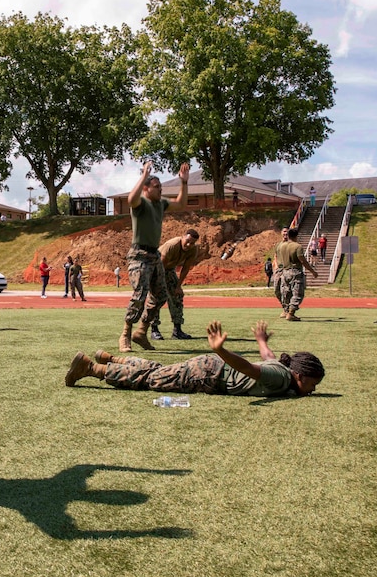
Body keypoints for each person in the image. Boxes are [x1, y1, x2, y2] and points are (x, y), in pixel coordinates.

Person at [66, 320, 325, 399]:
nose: (313, 390)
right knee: (151, 381)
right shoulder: (280, 379)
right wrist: (221, 351)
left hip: (210, 369)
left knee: (159, 371)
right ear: (299, 375)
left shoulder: (282, 368)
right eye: (313, 384)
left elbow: (267, 358)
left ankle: (112, 359)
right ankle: (91, 367)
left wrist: (261, 341)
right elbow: (250, 368)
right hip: (209, 374)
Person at [118, 161, 189, 352]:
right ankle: (125, 334)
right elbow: (131, 199)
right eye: (157, 187)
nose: (160, 190)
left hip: (154, 255)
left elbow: (181, 204)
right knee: (140, 294)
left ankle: (141, 332)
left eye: (161, 187)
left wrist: (184, 182)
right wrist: (143, 176)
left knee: (161, 295)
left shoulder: (161, 203)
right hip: (139, 255)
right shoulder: (141, 203)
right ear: (146, 189)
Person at [149, 229, 201, 340]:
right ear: (182, 237)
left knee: (177, 296)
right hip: (155, 270)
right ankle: (154, 330)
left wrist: (178, 286)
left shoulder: (193, 250)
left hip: (169, 270)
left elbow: (185, 268)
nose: (188, 244)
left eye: (192, 243)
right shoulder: (172, 245)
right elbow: (160, 266)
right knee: (156, 298)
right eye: (187, 241)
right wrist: (158, 285)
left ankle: (177, 331)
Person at [275, 228, 317, 321]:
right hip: (295, 271)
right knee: (297, 293)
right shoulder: (297, 247)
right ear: (296, 236)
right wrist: (312, 271)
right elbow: (302, 260)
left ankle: (286, 310)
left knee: (286, 292)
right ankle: (291, 313)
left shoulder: (282, 246)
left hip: (285, 271)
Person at [272, 227, 289, 312]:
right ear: (281, 233)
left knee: (285, 290)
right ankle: (284, 306)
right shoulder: (278, 245)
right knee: (276, 290)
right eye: (284, 231)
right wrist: (275, 265)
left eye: (287, 232)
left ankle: (287, 310)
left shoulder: (292, 244)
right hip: (279, 269)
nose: (285, 233)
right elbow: (275, 255)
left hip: (288, 270)